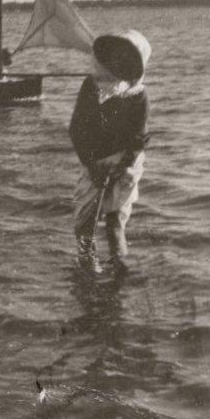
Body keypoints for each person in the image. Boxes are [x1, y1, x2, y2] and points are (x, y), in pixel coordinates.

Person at [68, 30, 151, 274]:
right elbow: (76, 130)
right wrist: (92, 166)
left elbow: (137, 141)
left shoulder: (138, 96)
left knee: (115, 223)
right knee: (84, 226)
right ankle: (88, 269)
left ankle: (119, 272)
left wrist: (120, 168)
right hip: (94, 160)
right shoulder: (91, 85)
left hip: (125, 162)